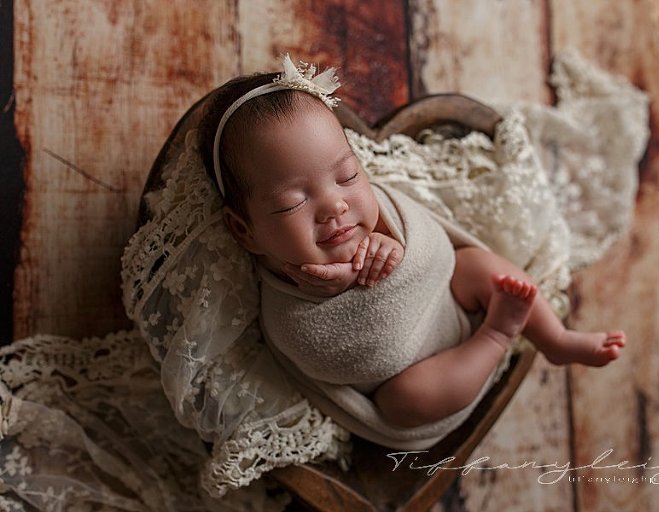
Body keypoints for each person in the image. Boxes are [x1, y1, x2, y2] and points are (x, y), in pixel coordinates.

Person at [198, 58, 626, 429]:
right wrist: (347, 289)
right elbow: (334, 362)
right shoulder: (285, 313)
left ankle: (554, 337)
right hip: (421, 375)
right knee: (406, 402)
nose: (335, 206)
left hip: (446, 300)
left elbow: (434, 244)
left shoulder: (381, 214)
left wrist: (396, 250)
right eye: (294, 202)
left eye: (347, 176)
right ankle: (498, 335)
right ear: (245, 231)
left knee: (475, 264)